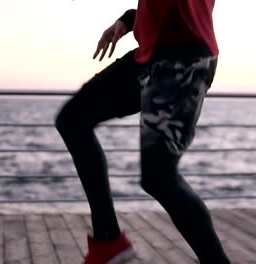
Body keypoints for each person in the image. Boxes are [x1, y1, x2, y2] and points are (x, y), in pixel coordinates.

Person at [55, 1, 232, 263]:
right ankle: (108, 240)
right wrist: (129, 21)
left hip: (182, 58)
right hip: (151, 54)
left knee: (159, 176)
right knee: (72, 120)